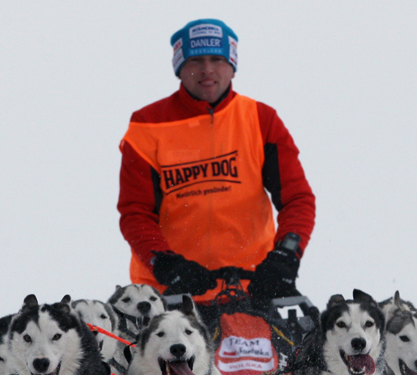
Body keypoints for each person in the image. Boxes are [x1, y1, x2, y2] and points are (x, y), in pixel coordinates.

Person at [117, 19, 315, 303]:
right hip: (168, 295)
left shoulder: (262, 119)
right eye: (196, 59)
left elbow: (297, 199)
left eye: (218, 60)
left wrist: (287, 254)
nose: (207, 70)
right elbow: (136, 212)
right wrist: (164, 263)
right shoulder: (147, 125)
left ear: (232, 65)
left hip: (251, 290)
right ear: (180, 68)